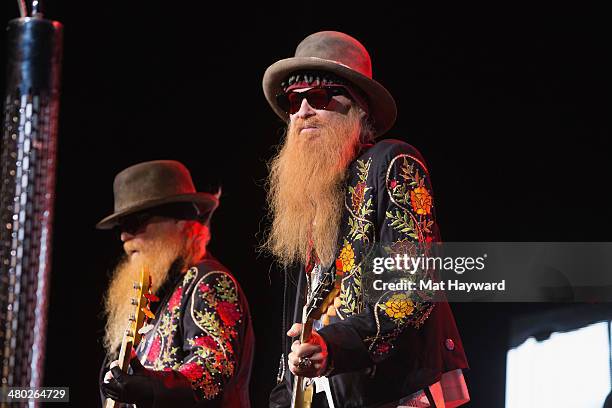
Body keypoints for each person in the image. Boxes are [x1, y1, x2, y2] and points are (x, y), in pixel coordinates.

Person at [262, 31, 470, 407]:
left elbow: (413, 286)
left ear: (359, 107)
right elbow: (301, 319)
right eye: (293, 101)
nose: (303, 111)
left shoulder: (392, 162)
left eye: (320, 96)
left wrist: (334, 345)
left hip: (395, 391)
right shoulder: (308, 199)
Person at [97, 160, 254, 407]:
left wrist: (150, 387)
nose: (124, 236)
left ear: (181, 221)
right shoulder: (159, 294)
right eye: (122, 227)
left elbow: (211, 372)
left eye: (135, 223)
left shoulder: (209, 282)